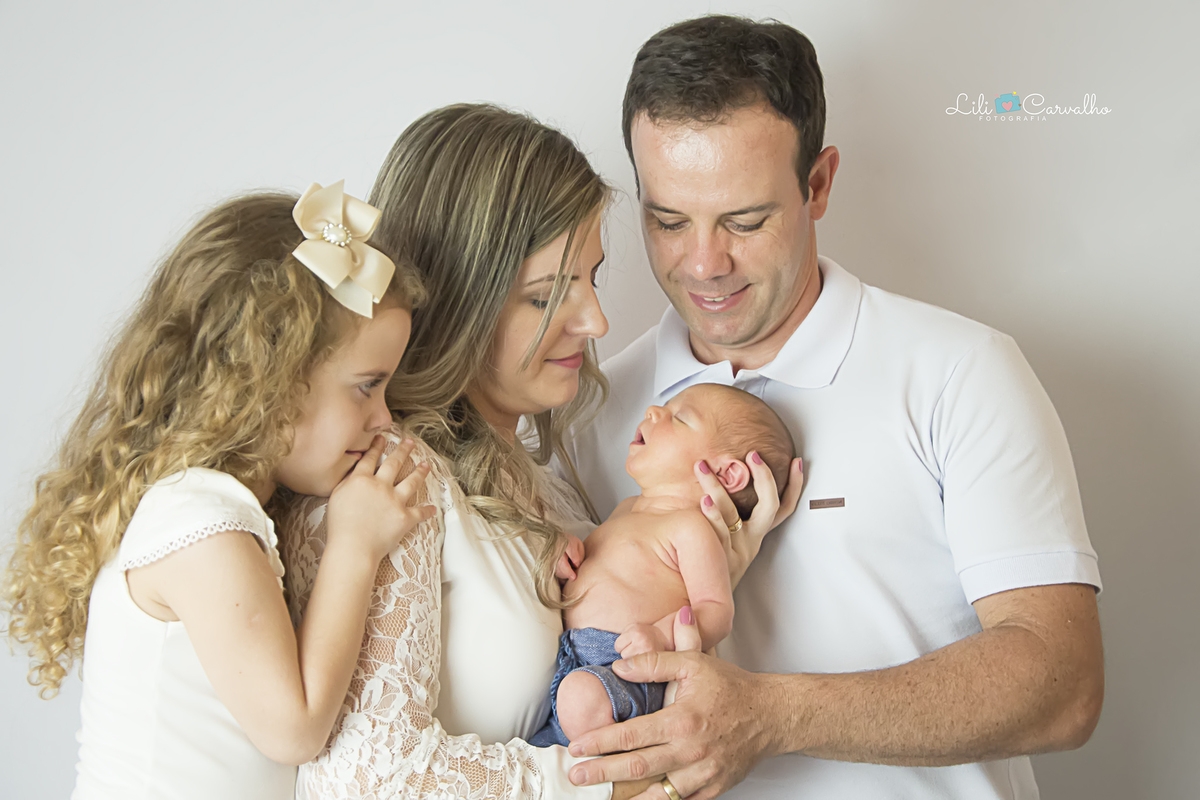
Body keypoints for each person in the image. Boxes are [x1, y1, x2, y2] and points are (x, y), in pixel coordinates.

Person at [565, 15, 1104, 800]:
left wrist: (772, 716)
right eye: (668, 221)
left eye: (745, 221)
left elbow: (1065, 686)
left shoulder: (960, 373)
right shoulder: (588, 415)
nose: (704, 264)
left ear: (817, 185)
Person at [2, 185, 434, 800]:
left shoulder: (210, 509)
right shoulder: (200, 524)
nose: (384, 418)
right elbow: (294, 729)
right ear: (270, 379)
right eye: (367, 386)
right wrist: (355, 546)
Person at [531, 383, 795, 748]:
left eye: (680, 418)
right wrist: (569, 551)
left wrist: (661, 635)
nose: (653, 411)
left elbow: (716, 611)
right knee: (536, 741)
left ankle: (607, 769)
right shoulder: (627, 508)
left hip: (626, 668)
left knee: (580, 698)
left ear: (727, 475)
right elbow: (603, 571)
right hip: (572, 658)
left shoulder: (690, 529)